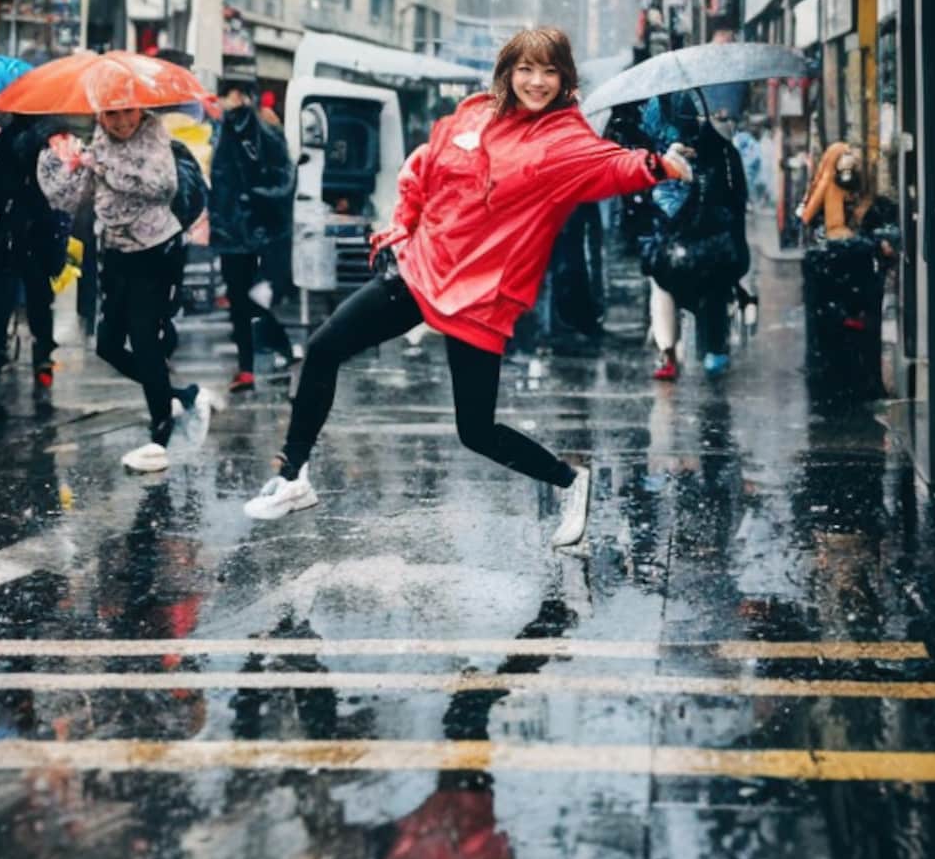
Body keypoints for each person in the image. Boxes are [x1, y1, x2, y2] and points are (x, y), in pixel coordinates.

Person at [243, 27, 693, 546]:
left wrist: (659, 166)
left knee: (476, 431)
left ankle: (570, 481)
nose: (537, 82)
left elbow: (611, 166)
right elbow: (423, 166)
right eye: (526, 69)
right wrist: (402, 224)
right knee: (323, 347)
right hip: (422, 267)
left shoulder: (563, 138)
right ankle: (293, 475)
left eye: (550, 71)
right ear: (508, 71)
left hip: (480, 296)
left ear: (565, 79)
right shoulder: (474, 113)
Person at [38, 84, 211, 471]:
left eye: (128, 111)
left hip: (156, 250)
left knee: (145, 339)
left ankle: (160, 434)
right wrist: (65, 165)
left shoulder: (153, 135)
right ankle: (180, 395)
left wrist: (102, 165)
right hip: (116, 253)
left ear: (140, 109)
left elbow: (161, 185)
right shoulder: (99, 143)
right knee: (108, 346)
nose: (121, 122)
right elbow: (68, 200)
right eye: (112, 113)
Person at [643, 97, 749, 380]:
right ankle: (682, 351)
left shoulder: (718, 152)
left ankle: (689, 351)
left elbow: (733, 199)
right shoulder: (662, 157)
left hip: (704, 243)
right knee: (668, 288)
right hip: (682, 243)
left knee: (694, 289)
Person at [209, 79, 294, 393]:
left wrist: (250, 199)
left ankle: (254, 362)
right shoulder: (236, 133)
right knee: (243, 299)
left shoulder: (255, 132)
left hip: (247, 233)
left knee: (244, 300)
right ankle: (258, 360)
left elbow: (281, 182)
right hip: (246, 233)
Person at [0, 115, 66, 388]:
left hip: (9, 228)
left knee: (4, 290)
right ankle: (42, 353)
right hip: (38, 230)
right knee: (38, 293)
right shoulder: (52, 141)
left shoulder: (2, 142)